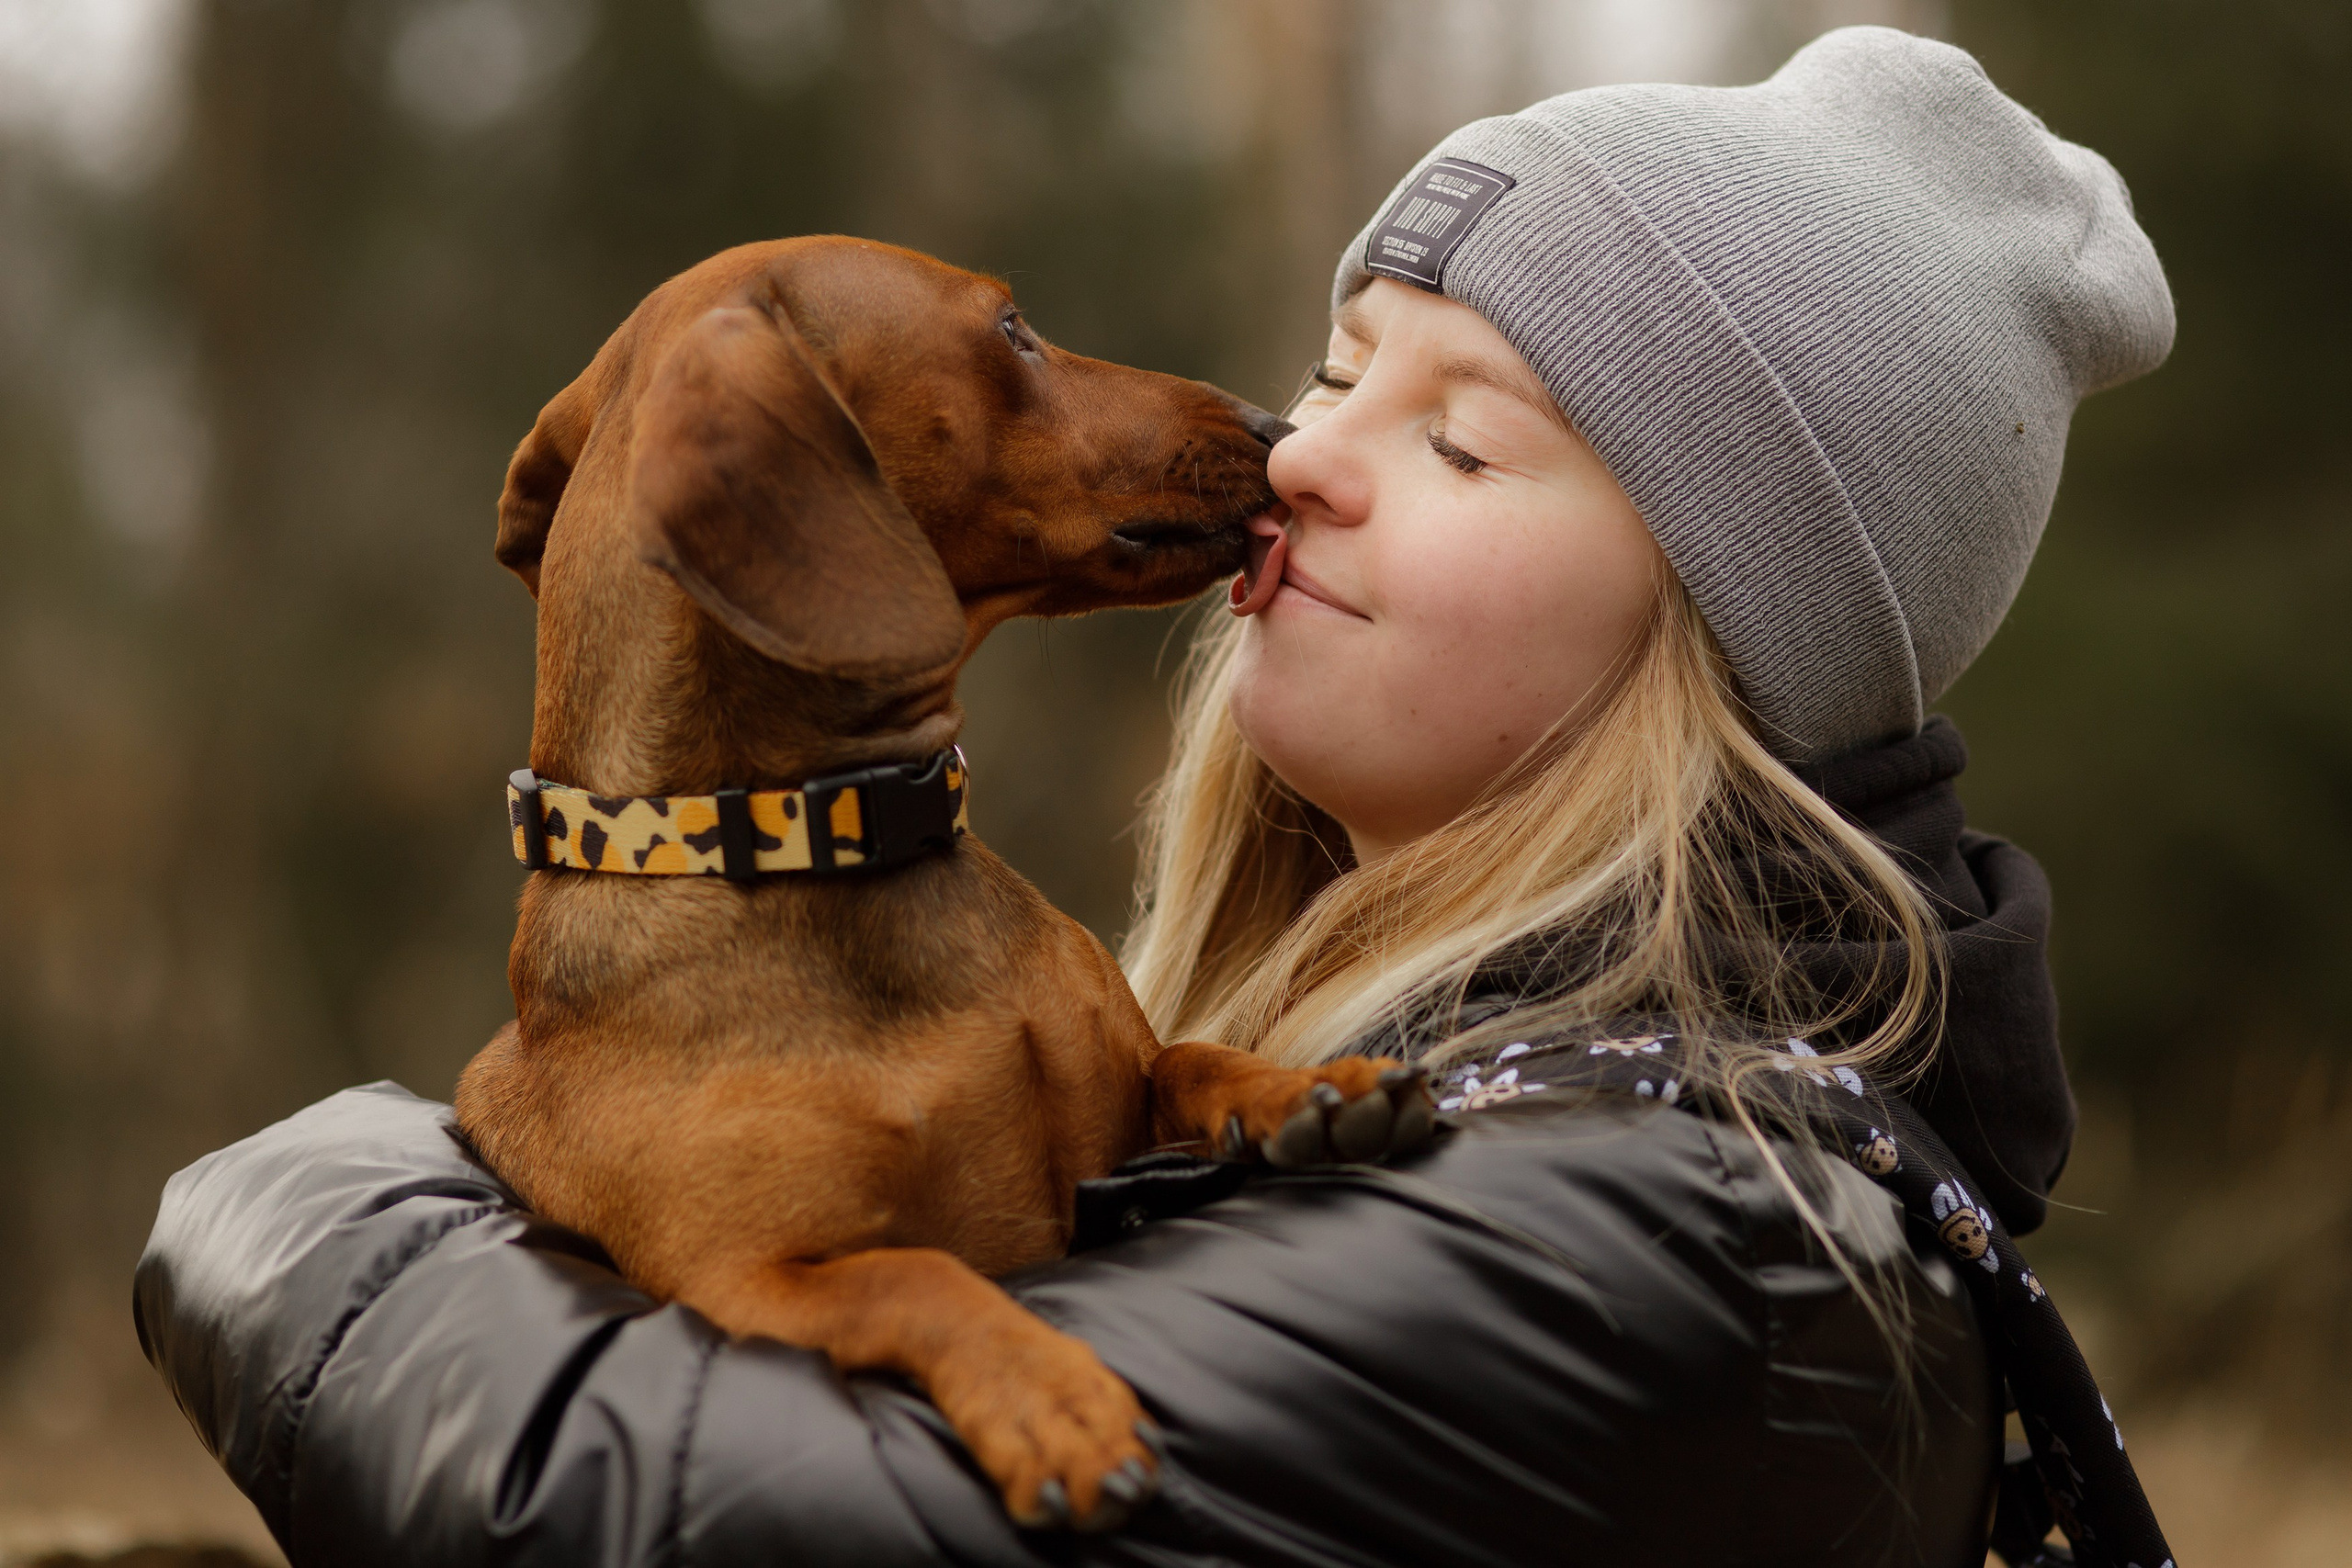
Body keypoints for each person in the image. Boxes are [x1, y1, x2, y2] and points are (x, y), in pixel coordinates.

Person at [133, 28, 2176, 1568]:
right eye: (1336, 364)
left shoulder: (1683, 1226)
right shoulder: (1426, 1091)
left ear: (1723, 634)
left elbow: (665, 1512)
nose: (1293, 453)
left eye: (1459, 443)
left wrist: (275, 1198)